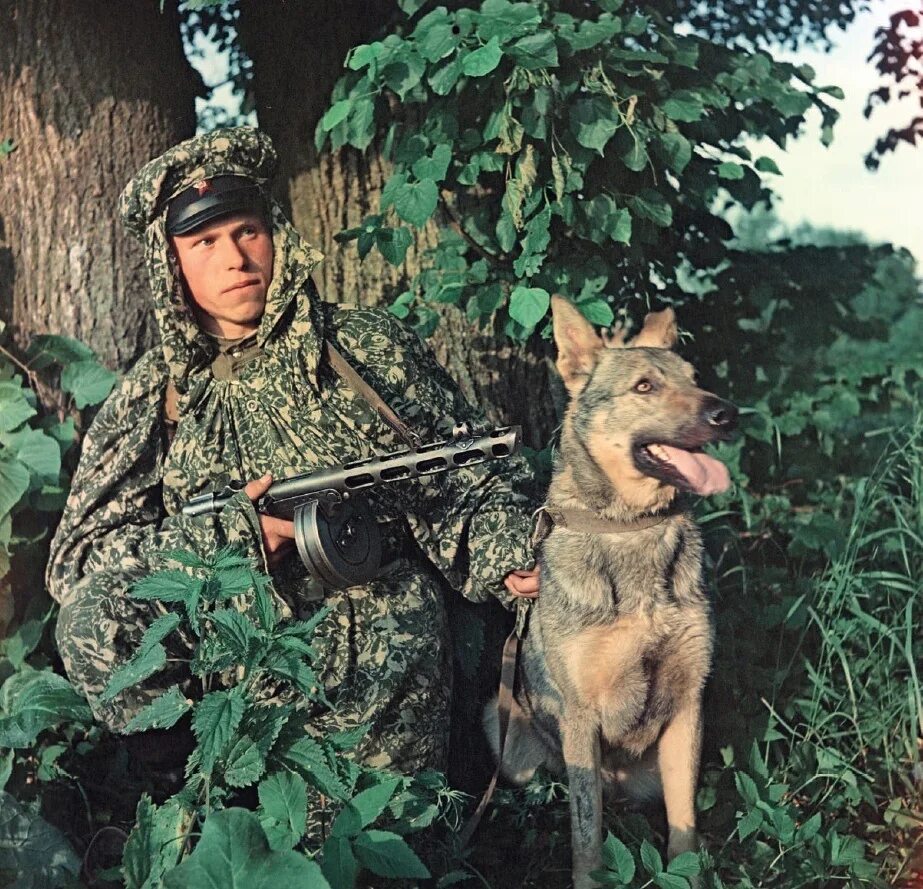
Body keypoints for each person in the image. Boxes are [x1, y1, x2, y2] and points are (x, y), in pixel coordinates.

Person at [46, 126, 539, 778]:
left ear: (274, 231)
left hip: (369, 626)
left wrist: (510, 557)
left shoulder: (364, 348)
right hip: (221, 633)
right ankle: (189, 781)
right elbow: (77, 561)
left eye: (247, 231)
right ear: (172, 265)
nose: (235, 259)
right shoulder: (154, 394)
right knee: (92, 616)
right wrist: (224, 539)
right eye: (203, 243)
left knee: (357, 856)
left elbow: (465, 480)